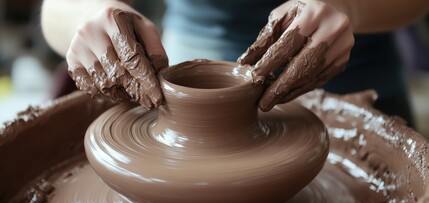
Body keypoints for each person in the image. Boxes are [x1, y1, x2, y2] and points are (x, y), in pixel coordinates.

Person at [41, 0, 429, 125]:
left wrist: (348, 8)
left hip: (355, 81)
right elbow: (55, 8)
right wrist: (89, 14)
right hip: (177, 93)